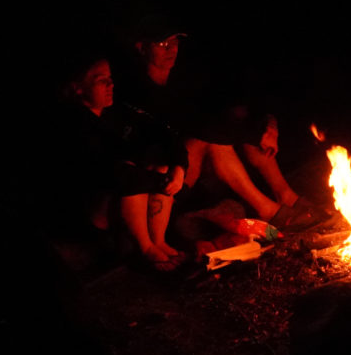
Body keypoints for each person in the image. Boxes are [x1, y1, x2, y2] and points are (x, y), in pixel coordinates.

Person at [115, 14, 330, 235]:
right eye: (162, 44)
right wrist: (254, 133)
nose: (172, 50)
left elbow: (220, 108)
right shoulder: (138, 90)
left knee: (235, 125)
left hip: (191, 163)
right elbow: (195, 127)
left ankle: (286, 196)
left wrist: (266, 125)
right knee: (214, 140)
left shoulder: (183, 76)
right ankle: (269, 211)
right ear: (142, 48)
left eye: (175, 42)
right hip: (168, 174)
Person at [58, 52, 187, 271]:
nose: (110, 85)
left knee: (160, 165)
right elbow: (111, 173)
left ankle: (159, 242)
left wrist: (178, 167)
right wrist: (161, 181)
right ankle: (146, 249)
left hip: (124, 193)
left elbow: (166, 135)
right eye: (101, 81)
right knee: (130, 174)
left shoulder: (118, 112)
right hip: (92, 210)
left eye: (110, 78)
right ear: (78, 88)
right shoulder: (73, 126)